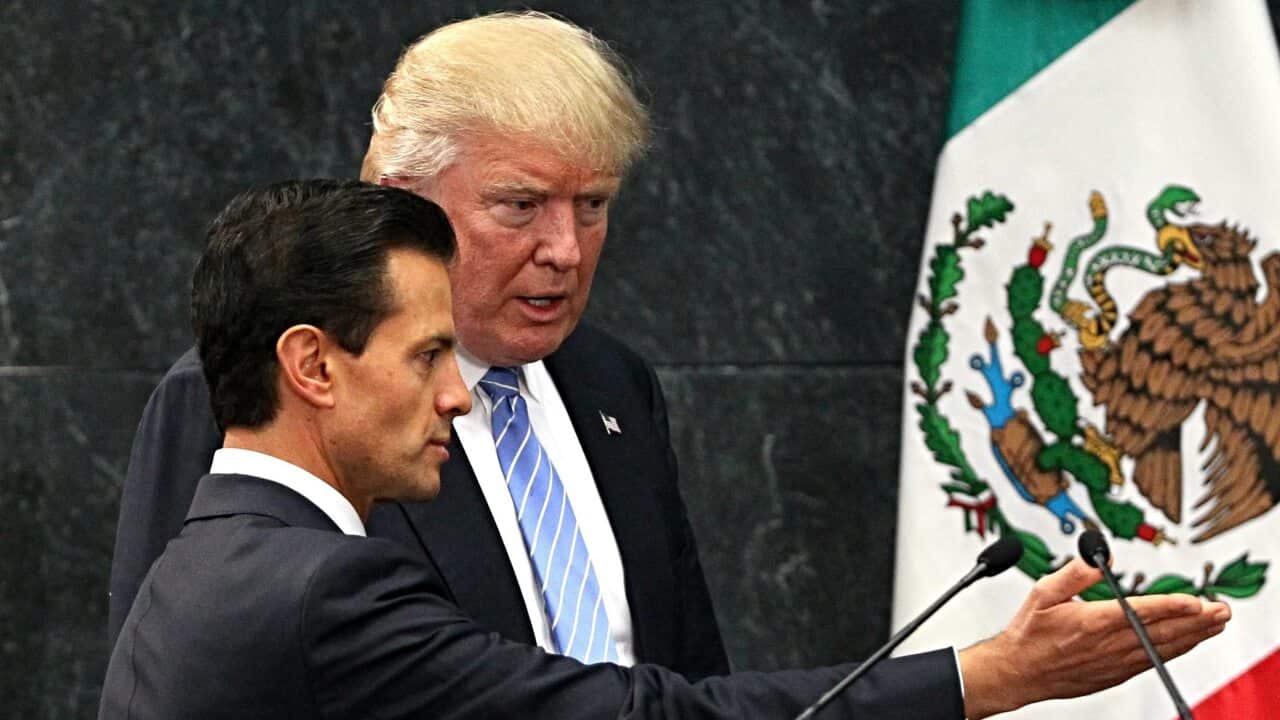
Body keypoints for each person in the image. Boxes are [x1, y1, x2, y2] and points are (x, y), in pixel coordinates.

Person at [98, 179, 1230, 719]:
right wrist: (987, 676)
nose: (457, 396)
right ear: (313, 365)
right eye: (427, 355)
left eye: (594, 206)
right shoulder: (320, 587)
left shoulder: (206, 564)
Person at [107, 12, 724, 677]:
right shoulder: (246, 393)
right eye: (521, 205)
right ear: (404, 200)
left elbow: (690, 664)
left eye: (592, 205)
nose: (566, 250)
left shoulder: (615, 383)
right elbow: (169, 668)